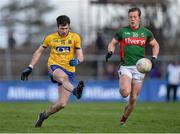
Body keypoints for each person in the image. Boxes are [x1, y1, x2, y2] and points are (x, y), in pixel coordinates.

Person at [21, 15, 84, 127]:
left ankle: (43, 115)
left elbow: (80, 56)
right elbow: (38, 52)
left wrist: (77, 61)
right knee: (63, 77)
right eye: (62, 28)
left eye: (66, 28)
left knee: (62, 104)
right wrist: (30, 66)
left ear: (69, 27)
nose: (64, 31)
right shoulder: (50, 38)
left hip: (69, 70)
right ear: (57, 27)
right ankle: (75, 91)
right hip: (54, 67)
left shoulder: (75, 37)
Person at [105, 7, 159, 125]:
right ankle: (124, 83)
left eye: (135, 17)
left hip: (140, 68)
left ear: (139, 18)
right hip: (126, 66)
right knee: (125, 92)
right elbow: (112, 43)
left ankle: (123, 118)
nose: (132, 19)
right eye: (130, 17)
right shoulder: (122, 31)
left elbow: (155, 45)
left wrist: (154, 58)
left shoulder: (146, 32)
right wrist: (110, 51)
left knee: (133, 99)